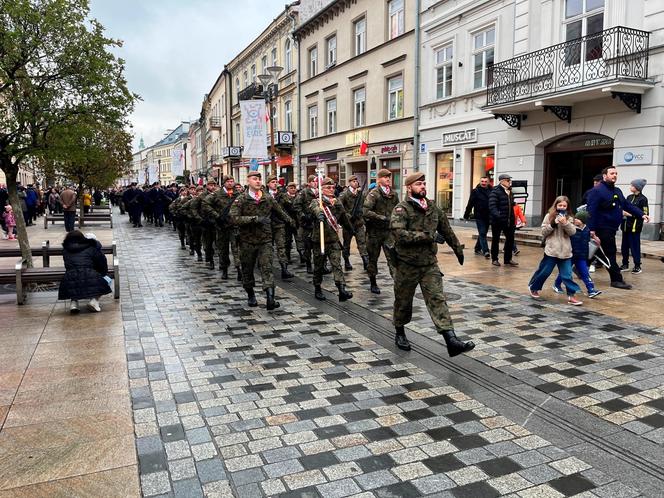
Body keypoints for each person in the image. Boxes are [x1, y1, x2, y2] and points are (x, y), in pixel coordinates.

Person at [390, 172, 474, 355]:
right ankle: (400, 332)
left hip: (429, 264)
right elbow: (399, 235)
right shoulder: (401, 209)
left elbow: (446, 229)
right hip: (407, 264)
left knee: (437, 299)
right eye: (418, 184)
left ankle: (451, 340)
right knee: (403, 301)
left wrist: (457, 248)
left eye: (424, 183)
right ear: (409, 187)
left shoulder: (432, 207)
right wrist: (428, 236)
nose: (423, 187)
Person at [229, 170, 294, 310]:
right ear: (248, 181)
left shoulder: (267, 198)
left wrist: (291, 221)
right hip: (247, 241)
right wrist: (254, 219)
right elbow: (233, 218)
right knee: (247, 269)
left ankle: (270, 298)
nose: (258, 181)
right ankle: (251, 295)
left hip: (265, 240)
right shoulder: (241, 199)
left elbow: (279, 211)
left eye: (259, 179)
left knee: (267, 268)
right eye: (254, 179)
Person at [586, 166, 648, 289]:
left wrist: (641, 214)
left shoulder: (617, 191)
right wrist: (591, 230)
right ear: (605, 176)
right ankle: (616, 280)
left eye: (616, 173)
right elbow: (590, 211)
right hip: (602, 228)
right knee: (610, 253)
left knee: (594, 252)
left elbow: (627, 205)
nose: (614, 175)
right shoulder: (597, 191)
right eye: (612, 173)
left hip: (612, 228)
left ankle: (577, 268)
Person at [528, 196, 583, 305]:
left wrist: (565, 223)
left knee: (567, 275)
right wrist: (553, 224)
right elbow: (543, 232)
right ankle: (534, 287)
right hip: (552, 251)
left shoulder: (570, 218)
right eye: (560, 205)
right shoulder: (549, 216)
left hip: (566, 252)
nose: (562, 207)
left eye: (564, 206)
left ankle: (571, 296)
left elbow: (573, 232)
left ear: (567, 207)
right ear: (556, 206)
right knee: (544, 272)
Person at [310, 177, 354, 302]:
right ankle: (317, 288)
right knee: (318, 266)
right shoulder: (317, 202)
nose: (331, 190)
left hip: (333, 240)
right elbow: (315, 209)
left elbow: (343, 218)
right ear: (321, 189)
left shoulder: (337, 202)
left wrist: (351, 230)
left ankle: (341, 290)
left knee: (337, 265)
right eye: (328, 188)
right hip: (320, 240)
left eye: (333, 187)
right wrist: (318, 213)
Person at [58, 230, 112, 313]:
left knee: (74, 281)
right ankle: (94, 300)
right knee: (106, 279)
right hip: (89, 273)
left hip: (69, 276)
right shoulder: (91, 247)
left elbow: (68, 265)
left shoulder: (65, 250)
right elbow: (101, 263)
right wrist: (101, 273)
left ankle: (74, 303)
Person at [363, 169, 398, 293]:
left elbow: (397, 209)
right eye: (385, 177)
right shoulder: (374, 194)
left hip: (388, 232)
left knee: (393, 257)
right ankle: (373, 282)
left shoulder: (393, 194)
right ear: (379, 180)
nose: (388, 179)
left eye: (389, 177)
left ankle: (397, 283)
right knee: (373, 259)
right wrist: (380, 217)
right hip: (374, 232)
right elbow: (366, 211)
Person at [553, 210, 602, 298]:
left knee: (585, 273)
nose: (576, 220)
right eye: (576, 218)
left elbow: (590, 241)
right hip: (570, 255)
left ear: (583, 221)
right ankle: (556, 285)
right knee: (565, 272)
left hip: (581, 256)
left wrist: (595, 238)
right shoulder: (571, 228)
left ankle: (591, 290)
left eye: (578, 219)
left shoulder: (587, 230)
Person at [202, 175, 241, 280]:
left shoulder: (238, 194)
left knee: (236, 249)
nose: (230, 183)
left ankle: (239, 270)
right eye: (228, 181)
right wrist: (216, 215)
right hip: (222, 227)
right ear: (224, 183)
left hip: (234, 226)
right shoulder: (217, 194)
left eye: (232, 181)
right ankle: (224, 270)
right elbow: (205, 203)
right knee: (223, 250)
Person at [266, 175, 294, 279]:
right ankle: (266, 268)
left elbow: (290, 206)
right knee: (267, 248)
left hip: (279, 224)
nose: (275, 183)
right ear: (268, 183)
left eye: (276, 182)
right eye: (272, 182)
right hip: (267, 225)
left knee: (281, 247)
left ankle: (284, 269)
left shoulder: (281, 194)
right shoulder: (263, 194)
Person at [338, 175, 369, 271]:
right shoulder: (344, 194)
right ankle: (346, 261)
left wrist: (362, 214)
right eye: (353, 181)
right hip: (348, 224)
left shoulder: (361, 194)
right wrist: (347, 216)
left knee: (362, 243)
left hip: (359, 223)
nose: (356, 182)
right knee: (346, 244)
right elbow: (339, 207)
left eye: (356, 181)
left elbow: (365, 205)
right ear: (349, 182)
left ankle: (366, 261)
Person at [620, 178, 648, 274]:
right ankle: (625, 264)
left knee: (635, 247)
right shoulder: (628, 197)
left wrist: (630, 214)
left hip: (635, 227)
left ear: (637, 187)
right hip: (625, 226)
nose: (630, 187)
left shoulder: (643, 199)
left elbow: (644, 213)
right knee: (624, 247)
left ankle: (637, 266)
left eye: (632, 185)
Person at [488, 174, 518, 267]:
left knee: (510, 239)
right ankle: (495, 259)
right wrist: (499, 216)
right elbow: (492, 206)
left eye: (510, 180)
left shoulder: (510, 191)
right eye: (508, 180)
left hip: (509, 220)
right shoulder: (495, 191)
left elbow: (510, 204)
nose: (510, 182)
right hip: (498, 221)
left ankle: (508, 259)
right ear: (502, 181)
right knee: (495, 240)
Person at [293, 175, 319, 273]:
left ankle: (321, 265)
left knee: (318, 245)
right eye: (313, 181)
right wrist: (303, 216)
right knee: (307, 245)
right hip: (308, 223)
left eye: (316, 181)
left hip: (317, 222)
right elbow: (296, 205)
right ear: (309, 182)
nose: (315, 183)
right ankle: (308, 265)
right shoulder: (304, 192)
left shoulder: (319, 192)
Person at [463, 176, 491, 258]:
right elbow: (470, 203)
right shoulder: (475, 191)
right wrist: (466, 214)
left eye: (485, 181)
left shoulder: (492, 190)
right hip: (479, 216)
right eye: (482, 181)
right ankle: (486, 251)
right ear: (480, 182)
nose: (484, 183)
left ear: (488, 182)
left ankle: (477, 248)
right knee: (482, 233)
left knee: (483, 233)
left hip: (488, 216)